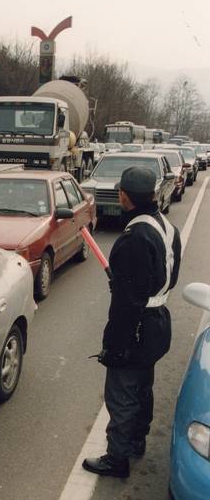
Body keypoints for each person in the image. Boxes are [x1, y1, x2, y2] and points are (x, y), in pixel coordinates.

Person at [83, 166, 181, 478]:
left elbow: (126, 305)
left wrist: (113, 344)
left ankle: (117, 458)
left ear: (124, 196)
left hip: (137, 326)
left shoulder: (133, 238)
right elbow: (169, 277)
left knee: (122, 391)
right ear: (152, 194)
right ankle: (137, 439)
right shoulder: (167, 227)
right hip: (159, 320)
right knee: (143, 385)